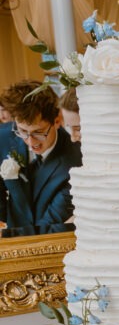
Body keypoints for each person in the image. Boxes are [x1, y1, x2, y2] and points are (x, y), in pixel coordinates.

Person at [0, 80, 81, 237]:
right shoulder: (2, 139)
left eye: (39, 132)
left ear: (57, 120)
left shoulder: (75, 161)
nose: (31, 142)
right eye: (22, 130)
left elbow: (52, 222)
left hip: (48, 242)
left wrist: (7, 235)